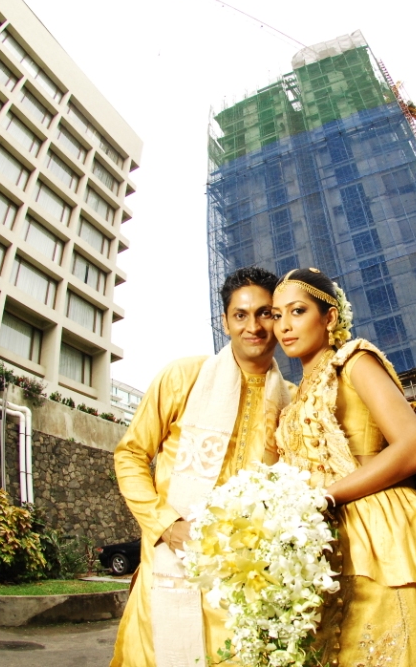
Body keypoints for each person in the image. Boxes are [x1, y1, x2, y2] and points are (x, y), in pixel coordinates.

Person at [270, 267, 416, 666]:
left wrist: (326, 497)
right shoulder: (293, 397)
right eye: (276, 315)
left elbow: (414, 447)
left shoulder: (354, 362)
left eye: (297, 311)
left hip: (380, 529)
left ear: (330, 317)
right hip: (324, 546)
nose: (284, 326)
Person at [110, 266, 291, 667]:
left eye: (265, 313)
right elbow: (131, 454)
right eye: (240, 315)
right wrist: (166, 525)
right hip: (172, 567)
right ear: (225, 322)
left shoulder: (291, 403)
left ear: (278, 319)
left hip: (249, 582)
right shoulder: (184, 377)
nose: (253, 327)